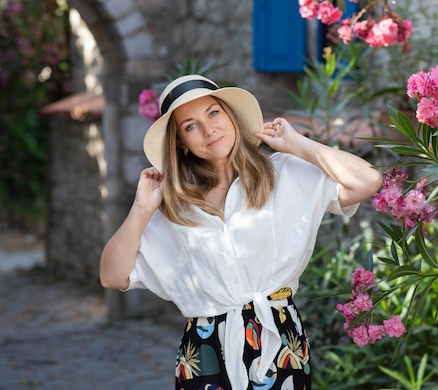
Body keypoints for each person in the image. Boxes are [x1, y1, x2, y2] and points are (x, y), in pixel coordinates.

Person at [99, 74, 382, 390]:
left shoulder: (284, 175)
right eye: (190, 126)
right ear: (180, 142)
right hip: (205, 351)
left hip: (277, 337)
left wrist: (298, 144)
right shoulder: (173, 206)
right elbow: (112, 276)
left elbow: (367, 180)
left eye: (213, 113)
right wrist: (140, 209)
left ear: (230, 115)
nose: (209, 130)